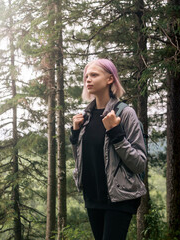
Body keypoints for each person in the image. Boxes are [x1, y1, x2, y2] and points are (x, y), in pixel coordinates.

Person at [70, 59, 147, 240]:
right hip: (93, 197)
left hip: (119, 198)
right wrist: (75, 135)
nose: (88, 79)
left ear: (110, 79)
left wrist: (116, 133)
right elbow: (81, 159)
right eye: (86, 76)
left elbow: (139, 164)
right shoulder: (85, 117)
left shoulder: (125, 114)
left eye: (94, 75)